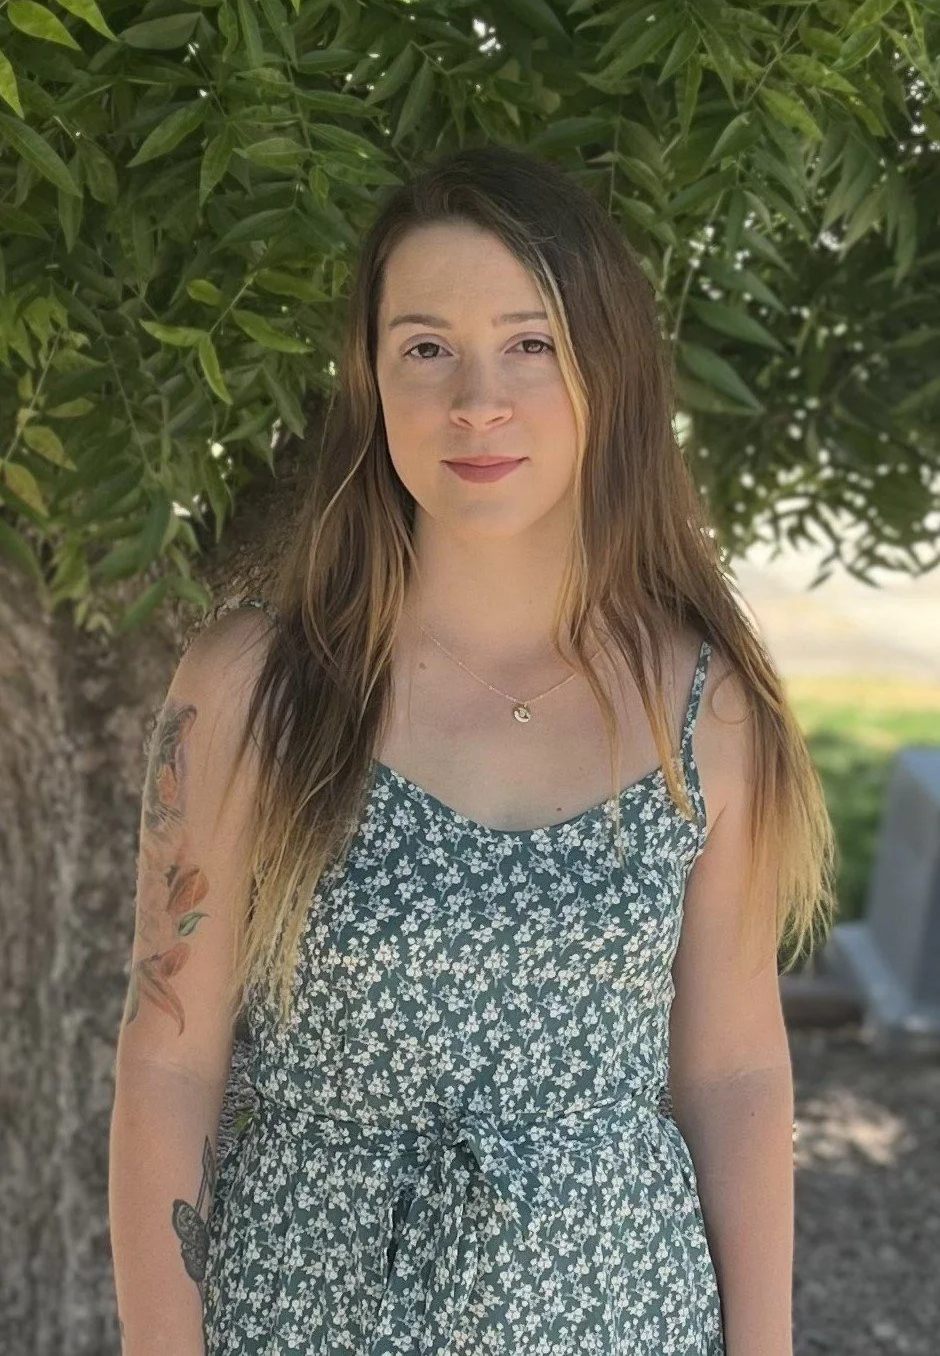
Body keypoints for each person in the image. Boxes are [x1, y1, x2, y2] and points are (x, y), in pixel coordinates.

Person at [109, 143, 835, 1356]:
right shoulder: (253, 689)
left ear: (610, 370)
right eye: (426, 348)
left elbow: (735, 1074)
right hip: (304, 1314)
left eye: (531, 343)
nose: (477, 401)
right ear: (373, 380)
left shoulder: (703, 712)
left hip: (617, 1318)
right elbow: (169, 1061)